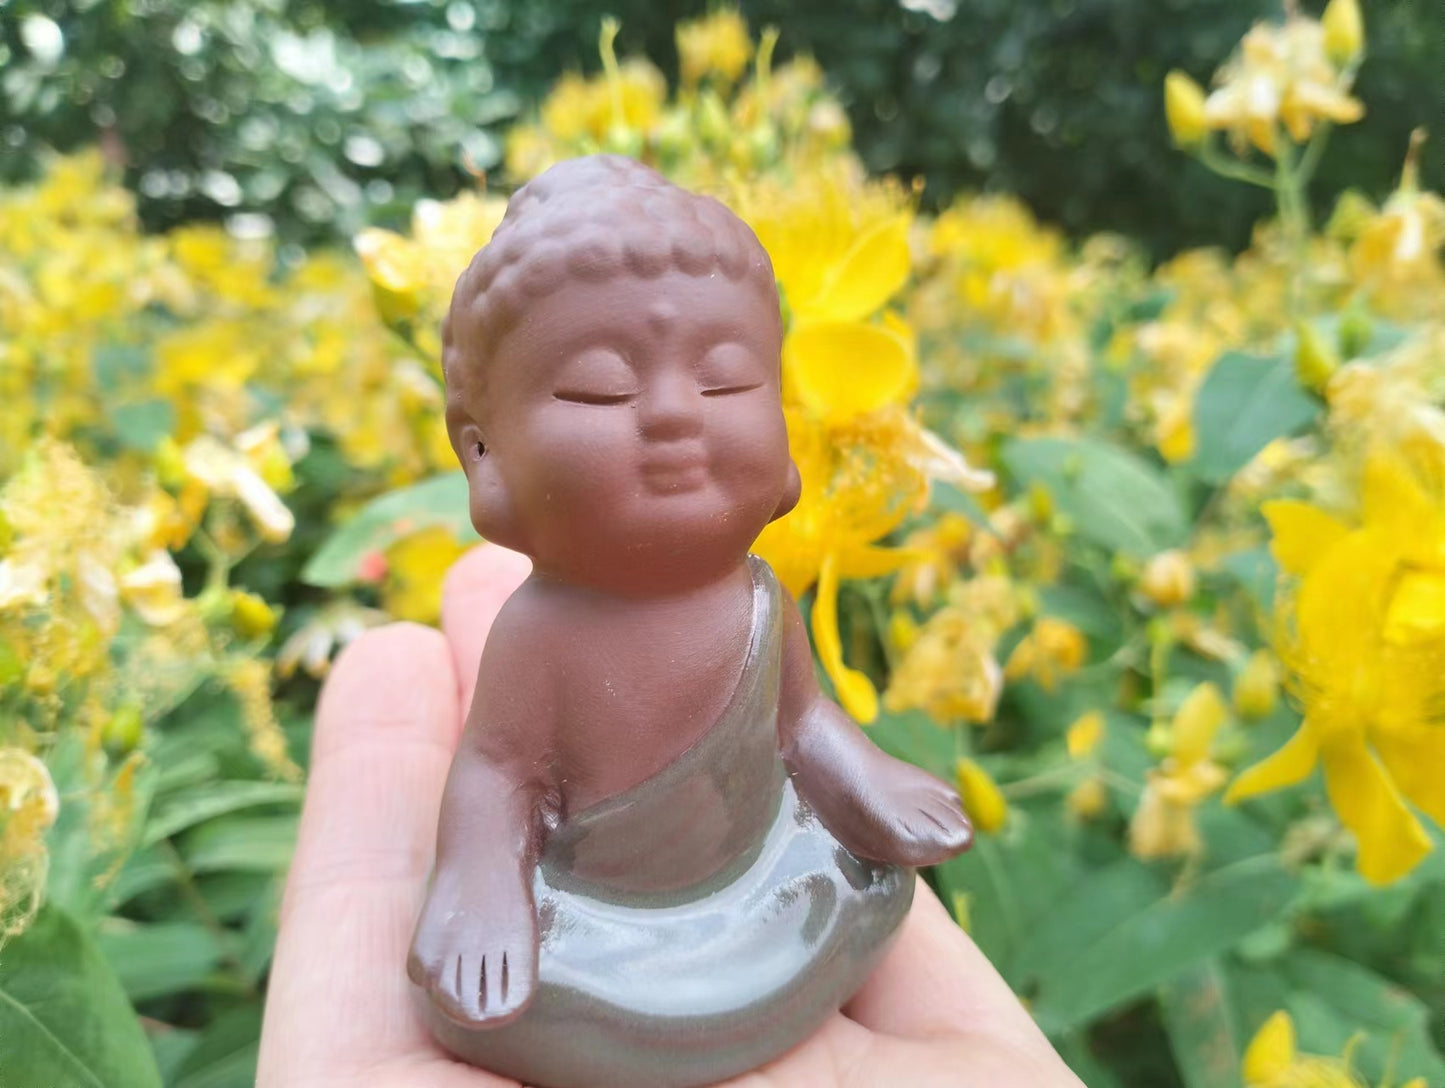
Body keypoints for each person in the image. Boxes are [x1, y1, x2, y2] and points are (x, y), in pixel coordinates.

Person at [256, 543, 1086, 1088]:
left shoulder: (760, 595)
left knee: (872, 883)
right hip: (598, 909)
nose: (671, 422)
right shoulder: (540, 628)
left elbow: (801, 720)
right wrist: (482, 885)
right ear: (489, 462)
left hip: (765, 871)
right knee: (514, 993)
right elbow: (497, 770)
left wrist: (864, 778)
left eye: (724, 388)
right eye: (602, 396)